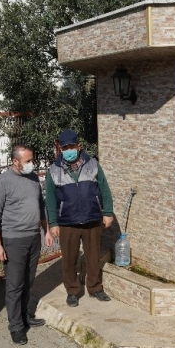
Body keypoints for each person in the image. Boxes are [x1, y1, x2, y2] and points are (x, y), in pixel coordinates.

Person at [0, 144, 53, 345]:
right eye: (27, 161)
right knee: (15, 285)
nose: (31, 164)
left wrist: (47, 231)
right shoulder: (2, 183)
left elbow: (41, 207)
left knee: (29, 280)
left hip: (34, 237)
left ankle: (26, 316)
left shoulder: (33, 179)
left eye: (31, 160)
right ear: (15, 161)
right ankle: (15, 326)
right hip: (13, 240)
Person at [45, 129, 114, 307]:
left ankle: (95, 288)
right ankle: (73, 291)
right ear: (60, 148)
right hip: (67, 222)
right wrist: (53, 223)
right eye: (64, 147)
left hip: (92, 219)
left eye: (71, 146)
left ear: (79, 146)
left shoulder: (92, 164)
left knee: (93, 257)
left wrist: (107, 212)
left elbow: (104, 189)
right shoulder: (54, 170)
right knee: (69, 259)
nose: (68, 150)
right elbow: (50, 199)